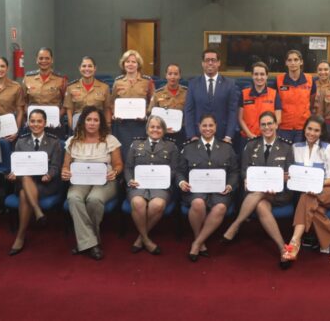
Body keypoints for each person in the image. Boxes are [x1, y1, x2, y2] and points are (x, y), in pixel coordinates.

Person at [222, 111, 294, 268]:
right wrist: (247, 179)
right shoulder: (251, 145)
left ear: (276, 125)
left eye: (270, 123)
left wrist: (283, 179)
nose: (267, 127)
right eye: (263, 124)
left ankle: (236, 225)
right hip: (257, 193)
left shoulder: (287, 147)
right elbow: (243, 171)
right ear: (260, 127)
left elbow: (290, 173)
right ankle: (283, 248)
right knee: (261, 203)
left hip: (279, 193)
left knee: (259, 195)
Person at [281, 116, 330, 264]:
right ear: (304, 129)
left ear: (322, 132)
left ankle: (294, 243)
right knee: (312, 205)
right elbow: (295, 174)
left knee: (306, 197)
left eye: (316, 130)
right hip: (311, 194)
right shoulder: (295, 148)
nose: (312, 133)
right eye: (309, 129)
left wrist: (316, 184)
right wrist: (289, 177)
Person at [60, 106, 122, 260]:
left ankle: (85, 242)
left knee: (94, 199)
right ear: (83, 122)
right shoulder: (72, 141)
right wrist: (65, 172)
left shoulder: (110, 140)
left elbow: (119, 165)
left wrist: (114, 172)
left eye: (96, 120)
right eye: (89, 120)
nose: (92, 123)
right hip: (80, 181)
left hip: (105, 181)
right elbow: (65, 166)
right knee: (73, 198)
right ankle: (92, 243)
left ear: (101, 123)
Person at [177, 114, 239, 262]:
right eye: (204, 125)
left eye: (211, 125)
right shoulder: (189, 148)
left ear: (216, 127)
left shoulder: (226, 148)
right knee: (198, 203)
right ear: (199, 127)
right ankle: (200, 241)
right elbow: (179, 171)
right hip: (196, 190)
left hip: (220, 190)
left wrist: (230, 185)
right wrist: (181, 182)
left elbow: (234, 172)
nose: (207, 128)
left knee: (221, 208)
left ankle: (197, 243)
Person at [6, 109, 63, 256]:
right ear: (28, 123)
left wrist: (49, 175)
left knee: (25, 194)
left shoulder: (54, 142)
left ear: (45, 123)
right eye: (32, 121)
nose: (35, 124)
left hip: (46, 184)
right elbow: (16, 166)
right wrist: (12, 174)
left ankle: (20, 237)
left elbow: (56, 166)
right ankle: (37, 211)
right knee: (24, 177)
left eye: (39, 121)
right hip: (25, 181)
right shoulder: (21, 141)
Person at [124, 115, 179, 255]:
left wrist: (164, 178)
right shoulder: (136, 145)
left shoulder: (171, 146)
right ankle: (147, 240)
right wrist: (130, 180)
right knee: (137, 202)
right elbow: (128, 168)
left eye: (159, 127)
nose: (155, 130)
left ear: (164, 130)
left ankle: (140, 238)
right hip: (138, 185)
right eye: (152, 127)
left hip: (161, 186)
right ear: (147, 129)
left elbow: (175, 169)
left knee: (157, 205)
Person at [184, 49, 238, 144]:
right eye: (207, 60)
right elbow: (189, 111)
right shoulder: (193, 84)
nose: (210, 63)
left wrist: (228, 136)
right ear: (202, 63)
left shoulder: (230, 84)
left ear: (219, 63)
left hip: (223, 137)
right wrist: (192, 135)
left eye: (213, 60)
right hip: (198, 137)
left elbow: (232, 111)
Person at [111, 50, 154, 160]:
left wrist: (146, 114)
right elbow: (112, 102)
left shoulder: (147, 81)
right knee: (123, 152)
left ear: (138, 64)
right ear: (123, 64)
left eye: (133, 62)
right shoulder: (118, 82)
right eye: (127, 61)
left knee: (140, 152)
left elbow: (153, 102)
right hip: (122, 124)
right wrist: (115, 114)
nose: (130, 64)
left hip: (140, 124)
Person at [22, 47, 67, 134]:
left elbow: (66, 103)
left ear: (52, 60)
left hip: (54, 124)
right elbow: (23, 101)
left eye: (47, 58)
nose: (44, 61)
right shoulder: (28, 78)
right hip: (33, 124)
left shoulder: (61, 79)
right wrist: (31, 118)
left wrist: (56, 118)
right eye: (41, 58)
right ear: (36, 60)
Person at [275, 50, 316, 143]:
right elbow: (275, 105)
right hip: (284, 128)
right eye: (289, 60)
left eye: (296, 60)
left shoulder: (310, 80)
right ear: (286, 63)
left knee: (300, 157)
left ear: (301, 62)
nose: (293, 63)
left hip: (303, 128)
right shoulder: (278, 80)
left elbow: (312, 102)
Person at [64, 56, 111, 134]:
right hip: (78, 125)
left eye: (90, 66)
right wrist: (72, 127)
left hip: (97, 125)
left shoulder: (104, 87)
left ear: (95, 68)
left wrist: (107, 127)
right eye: (84, 66)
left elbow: (107, 109)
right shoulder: (71, 87)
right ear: (79, 68)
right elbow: (69, 110)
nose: (87, 69)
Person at [238, 62, 281, 140]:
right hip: (247, 138)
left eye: (262, 74)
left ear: (267, 76)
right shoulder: (244, 93)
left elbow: (278, 119)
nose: (259, 77)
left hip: (268, 138)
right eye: (256, 74)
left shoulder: (274, 94)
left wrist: (267, 133)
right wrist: (249, 134)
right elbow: (240, 118)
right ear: (252, 76)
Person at [148, 63, 187, 146]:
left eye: (176, 74)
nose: (173, 77)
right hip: (162, 134)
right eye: (170, 74)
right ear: (166, 76)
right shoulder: (158, 93)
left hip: (181, 132)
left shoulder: (187, 93)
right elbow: (151, 113)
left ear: (180, 76)